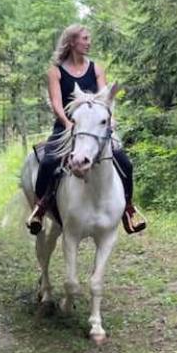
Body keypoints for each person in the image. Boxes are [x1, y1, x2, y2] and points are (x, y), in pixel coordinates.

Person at [26, 24, 146, 236]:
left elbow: (105, 97)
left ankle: (128, 209)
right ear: (72, 42)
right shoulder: (55, 71)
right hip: (68, 126)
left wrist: (112, 119)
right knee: (48, 162)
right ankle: (40, 208)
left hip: (96, 126)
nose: (88, 42)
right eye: (84, 38)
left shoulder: (96, 68)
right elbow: (56, 103)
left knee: (124, 162)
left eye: (89, 39)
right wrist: (67, 122)